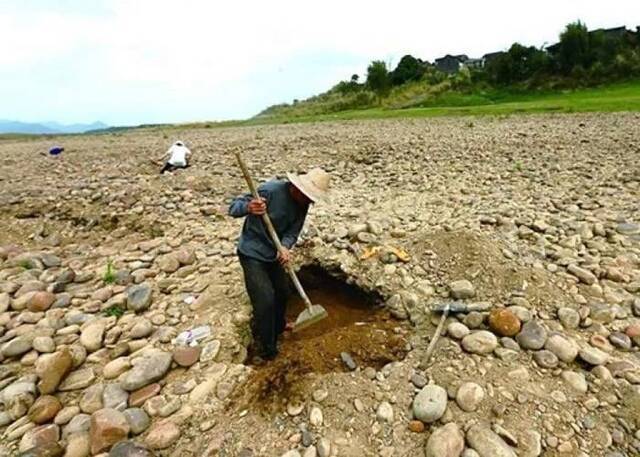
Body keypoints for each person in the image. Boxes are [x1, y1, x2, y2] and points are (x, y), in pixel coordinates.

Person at [229, 167, 330, 360]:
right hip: (252, 253)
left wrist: (285, 247)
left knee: (283, 292)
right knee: (265, 300)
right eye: (308, 196)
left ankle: (279, 326)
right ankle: (268, 349)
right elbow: (233, 207)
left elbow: (293, 231)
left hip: (274, 254)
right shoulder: (271, 190)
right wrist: (249, 207)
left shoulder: (303, 205)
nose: (309, 201)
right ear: (297, 188)